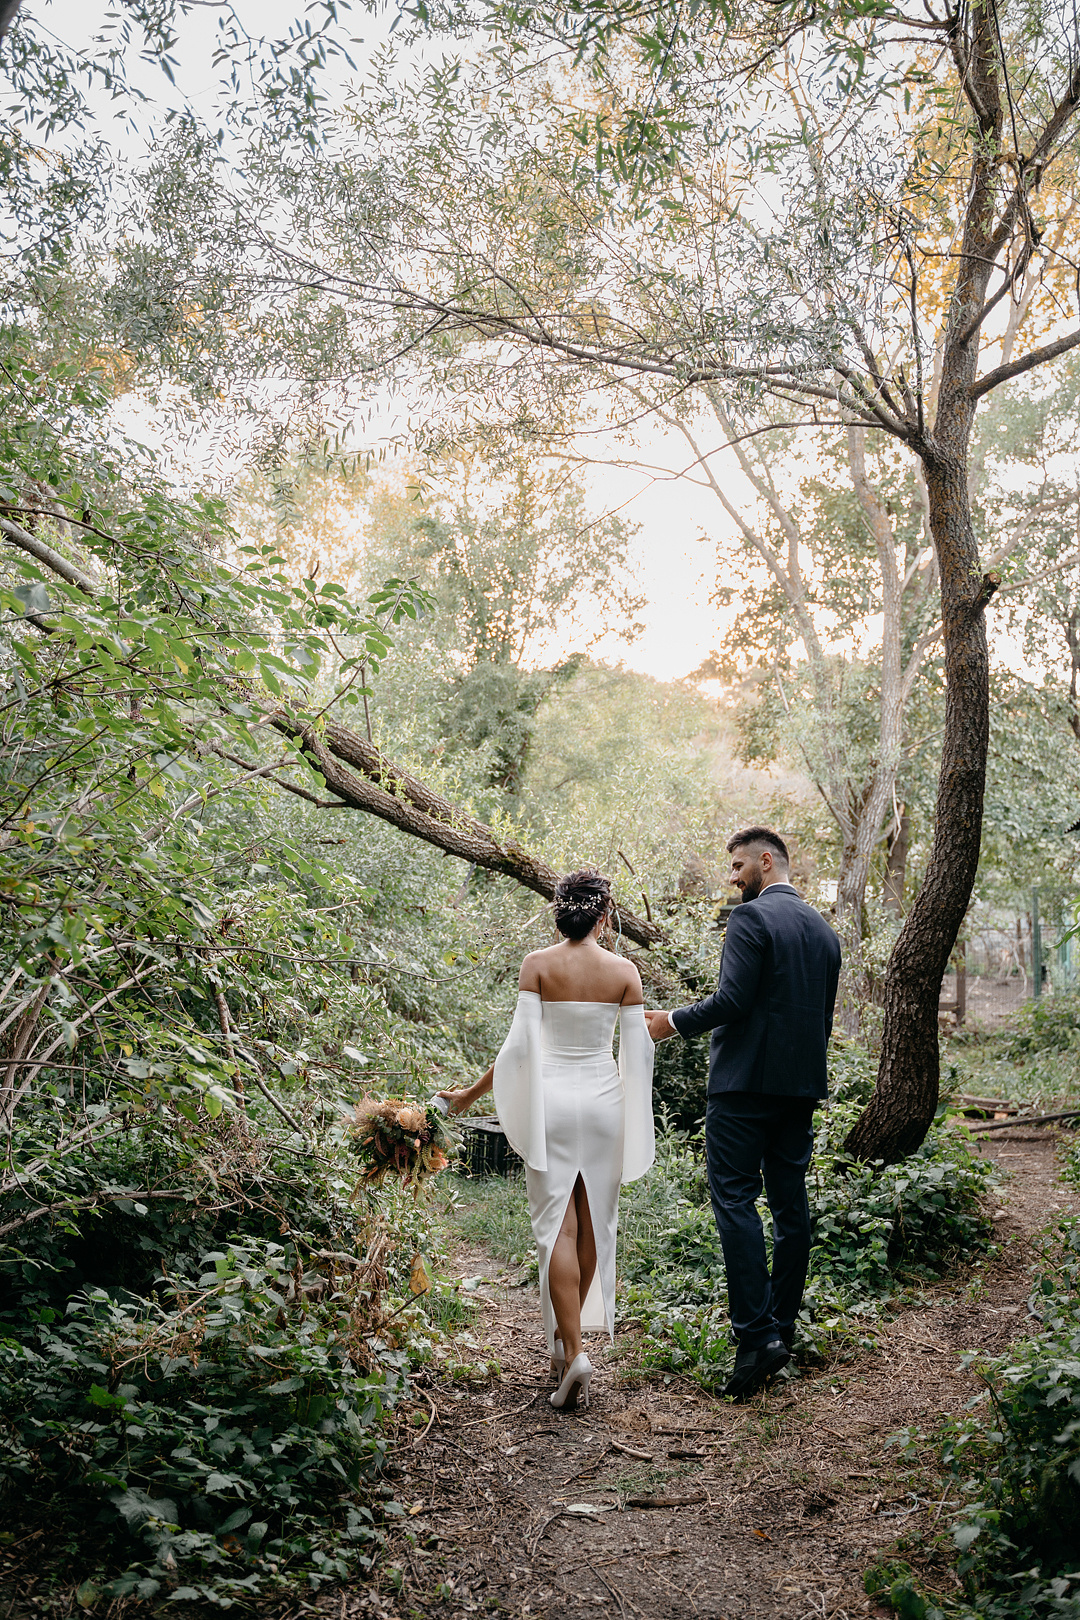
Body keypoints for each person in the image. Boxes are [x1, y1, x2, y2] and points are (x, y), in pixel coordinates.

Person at [439, 869, 655, 1411]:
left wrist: (468, 1095)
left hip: (554, 1102)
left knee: (557, 1224)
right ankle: (568, 1347)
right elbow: (637, 1054)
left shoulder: (537, 965)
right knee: (592, 1223)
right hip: (604, 1104)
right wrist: (628, 1109)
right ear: (605, 915)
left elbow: (518, 1052)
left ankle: (572, 1351)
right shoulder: (625, 971)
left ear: (559, 912)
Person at [645, 828, 841, 1402]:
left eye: (736, 867)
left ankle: (755, 1338)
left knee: (732, 1198)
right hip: (799, 1088)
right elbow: (820, 1022)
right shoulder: (825, 934)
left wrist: (671, 1022)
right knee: (789, 1204)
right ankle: (780, 1329)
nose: (732, 878)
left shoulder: (751, 920)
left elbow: (732, 1001)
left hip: (742, 1088)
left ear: (765, 861)